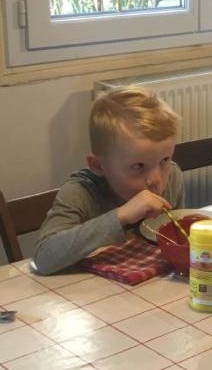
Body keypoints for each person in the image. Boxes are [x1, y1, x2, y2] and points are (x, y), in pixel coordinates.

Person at [33, 87, 184, 275]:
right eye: (138, 166)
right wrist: (120, 216)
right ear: (97, 165)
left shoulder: (174, 176)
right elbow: (44, 258)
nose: (156, 180)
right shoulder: (81, 192)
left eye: (164, 161)